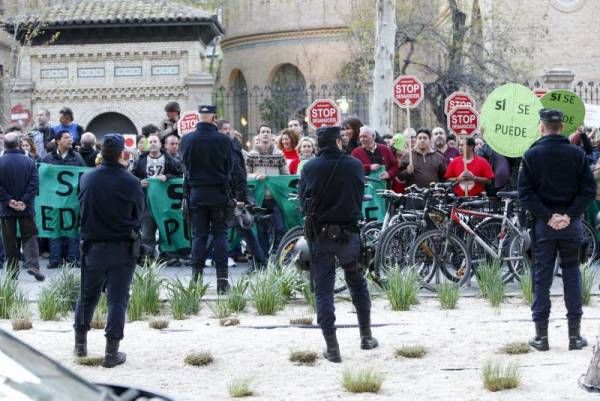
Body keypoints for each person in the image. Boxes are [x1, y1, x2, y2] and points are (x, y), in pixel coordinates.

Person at [518, 109, 596, 352]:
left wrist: (548, 216)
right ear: (561, 127)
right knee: (572, 275)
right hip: (570, 224)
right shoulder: (576, 154)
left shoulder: (531, 155)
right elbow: (588, 191)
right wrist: (569, 215)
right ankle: (574, 336)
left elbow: (525, 193)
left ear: (542, 127)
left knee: (542, 278)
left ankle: (541, 337)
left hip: (545, 225)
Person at [298, 126, 378, 363]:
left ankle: (332, 348)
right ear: (338, 142)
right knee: (357, 284)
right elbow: (359, 193)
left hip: (320, 236)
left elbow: (303, 203)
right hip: (349, 234)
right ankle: (366, 336)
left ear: (319, 144)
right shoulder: (354, 165)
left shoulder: (310, 167)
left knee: (323, 291)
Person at [74, 134, 144, 368]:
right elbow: (138, 216)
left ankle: (80, 345)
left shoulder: (86, 178)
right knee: (117, 300)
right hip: (122, 248)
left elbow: (80, 208)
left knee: (86, 297)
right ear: (122, 153)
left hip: (92, 247)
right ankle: (111, 353)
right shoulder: (131, 182)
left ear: (100, 152)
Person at [180, 105, 235, 293]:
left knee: (199, 236)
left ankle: (196, 281)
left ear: (199, 117)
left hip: (196, 192)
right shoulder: (224, 140)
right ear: (214, 118)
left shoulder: (187, 139)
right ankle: (222, 282)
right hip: (219, 193)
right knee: (220, 235)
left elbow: (184, 165)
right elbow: (230, 168)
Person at [0, 132, 44, 281]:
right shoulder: (29, 162)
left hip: (7, 209)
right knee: (30, 236)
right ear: (19, 144)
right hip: (26, 208)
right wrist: (24, 202)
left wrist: (9, 201)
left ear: (4, 145)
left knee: (9, 240)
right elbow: (34, 184)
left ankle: (12, 271)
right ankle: (33, 265)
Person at [132, 133, 182, 262]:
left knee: (166, 228)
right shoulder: (140, 161)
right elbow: (131, 177)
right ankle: (148, 257)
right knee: (147, 229)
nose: (153, 144)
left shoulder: (170, 160)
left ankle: (168, 256)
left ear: (160, 144)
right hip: (146, 201)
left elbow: (179, 174)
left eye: (155, 141)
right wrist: (138, 182)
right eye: (151, 142)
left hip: (164, 202)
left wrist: (167, 177)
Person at [42, 130, 85, 268]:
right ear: (57, 141)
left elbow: (83, 176)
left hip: (72, 202)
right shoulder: (47, 159)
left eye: (71, 137)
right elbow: (42, 179)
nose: (70, 140)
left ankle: (72, 259)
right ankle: (55, 259)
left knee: (72, 229)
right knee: (54, 229)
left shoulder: (77, 158)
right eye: (66, 138)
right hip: (53, 202)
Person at [246, 124, 289, 256]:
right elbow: (245, 174)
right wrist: (255, 176)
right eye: (263, 132)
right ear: (258, 135)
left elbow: (285, 175)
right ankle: (262, 257)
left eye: (268, 132)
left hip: (275, 197)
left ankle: (278, 252)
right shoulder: (252, 155)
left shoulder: (279, 154)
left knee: (280, 227)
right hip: (259, 198)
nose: (265, 134)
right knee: (260, 229)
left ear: (271, 136)